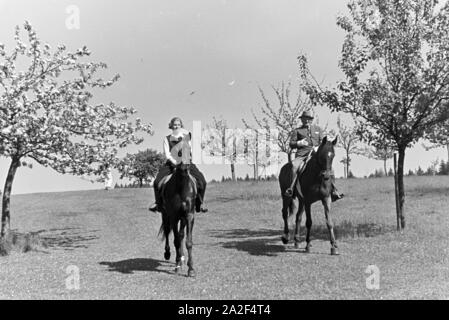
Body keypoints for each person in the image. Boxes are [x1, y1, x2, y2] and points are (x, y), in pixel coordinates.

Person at [149, 117, 208, 213]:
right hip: (171, 164)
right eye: (175, 125)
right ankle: (158, 204)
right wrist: (176, 163)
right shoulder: (166, 139)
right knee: (156, 182)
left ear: (181, 126)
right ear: (171, 126)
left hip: (186, 163)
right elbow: (167, 154)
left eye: (178, 125)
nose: (176, 126)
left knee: (202, 181)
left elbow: (190, 151)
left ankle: (200, 203)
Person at [285, 110, 344, 202]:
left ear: (311, 120)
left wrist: (318, 148)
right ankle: (291, 189)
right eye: (305, 119)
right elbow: (291, 144)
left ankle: (333, 191)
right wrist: (299, 143)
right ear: (302, 120)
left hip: (315, 155)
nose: (307, 120)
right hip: (302, 155)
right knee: (294, 167)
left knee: (330, 169)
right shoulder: (297, 131)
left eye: (309, 119)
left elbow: (323, 142)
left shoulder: (318, 129)